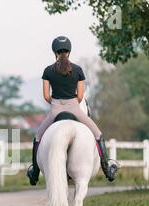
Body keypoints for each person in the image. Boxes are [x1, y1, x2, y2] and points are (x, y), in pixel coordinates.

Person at [27, 36, 118, 185]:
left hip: (55, 110)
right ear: (69, 51)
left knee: (37, 137)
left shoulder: (48, 71)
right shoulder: (77, 70)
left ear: (54, 52)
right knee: (98, 134)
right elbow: (81, 96)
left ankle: (35, 173)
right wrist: (71, 103)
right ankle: (107, 169)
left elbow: (46, 96)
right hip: (75, 109)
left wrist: (56, 102)